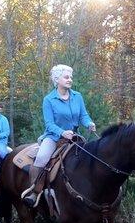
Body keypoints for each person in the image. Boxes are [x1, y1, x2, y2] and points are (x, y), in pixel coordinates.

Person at [22, 64, 96, 207]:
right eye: (66, 77)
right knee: (42, 158)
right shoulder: (49, 100)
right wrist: (62, 132)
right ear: (57, 79)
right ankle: (34, 192)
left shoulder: (77, 96)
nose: (70, 80)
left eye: (71, 77)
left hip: (75, 138)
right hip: (54, 138)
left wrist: (89, 123)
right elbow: (49, 124)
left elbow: (83, 116)